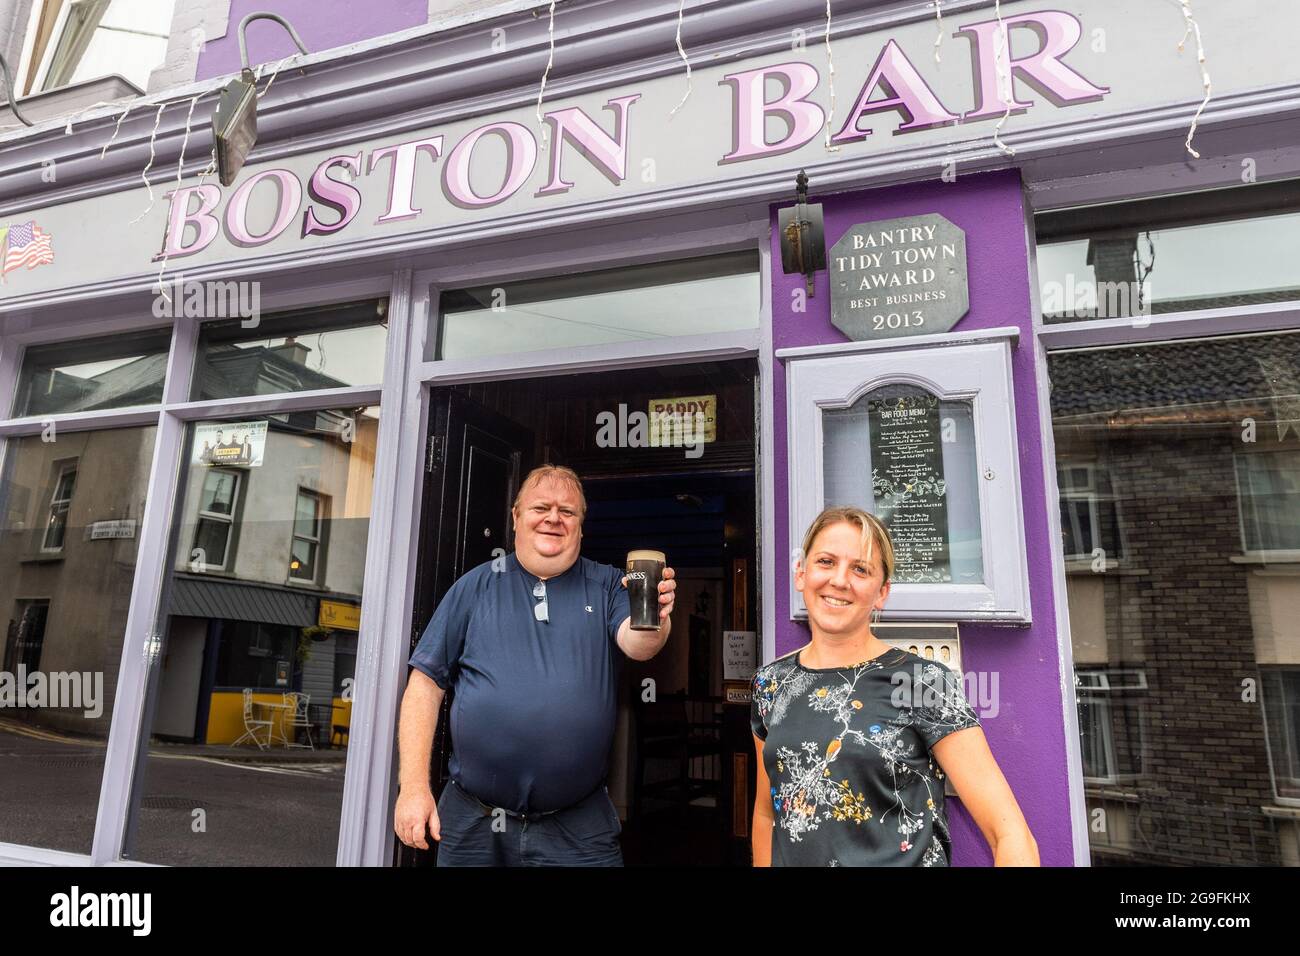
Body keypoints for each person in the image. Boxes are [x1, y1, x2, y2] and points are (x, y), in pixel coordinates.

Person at [394, 464, 676, 866]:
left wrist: (658, 616)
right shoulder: (474, 587)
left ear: (581, 525)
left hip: (578, 826)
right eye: (541, 507)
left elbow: (639, 644)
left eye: (567, 511)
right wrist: (414, 787)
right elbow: (425, 685)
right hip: (474, 821)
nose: (553, 518)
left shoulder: (610, 584)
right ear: (516, 517)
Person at [751, 505, 1038, 867]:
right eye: (825, 561)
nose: (840, 580)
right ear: (801, 573)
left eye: (860, 569)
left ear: (882, 592)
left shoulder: (921, 682)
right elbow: (767, 812)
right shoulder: (771, 684)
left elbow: (1009, 833)